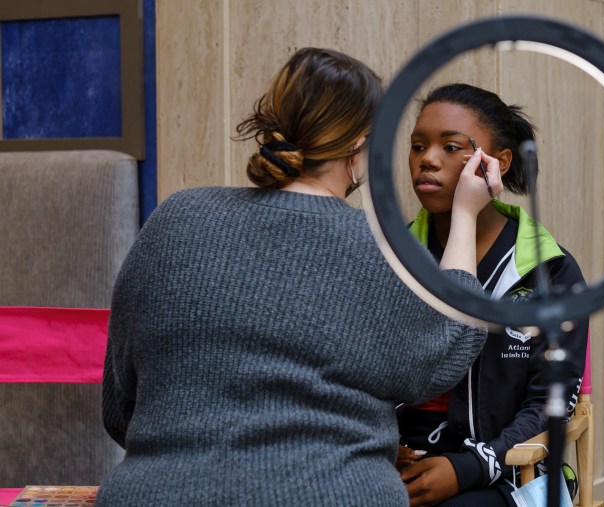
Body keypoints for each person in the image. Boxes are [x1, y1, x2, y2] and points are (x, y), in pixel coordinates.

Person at [96, 49, 502, 506]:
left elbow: (119, 407)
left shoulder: (176, 217)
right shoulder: (382, 246)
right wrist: (467, 214)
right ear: (358, 144)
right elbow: (449, 347)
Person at [396, 83, 589, 506]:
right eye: (417, 145)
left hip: (514, 471)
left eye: (450, 147)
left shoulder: (550, 270)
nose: (427, 159)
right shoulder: (394, 259)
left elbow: (549, 403)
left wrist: (469, 466)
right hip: (401, 467)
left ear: (496, 164)